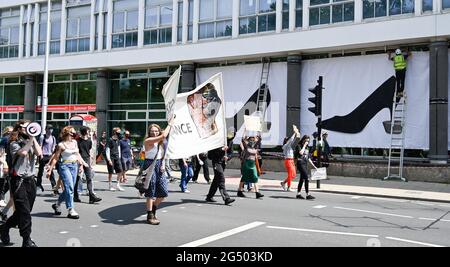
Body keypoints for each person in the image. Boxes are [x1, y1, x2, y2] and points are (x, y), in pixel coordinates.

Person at [0, 120, 42, 247]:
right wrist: (30, 139)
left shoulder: (31, 140)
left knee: (23, 212)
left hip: (30, 180)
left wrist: (32, 137)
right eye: (25, 127)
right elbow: (23, 153)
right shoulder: (13, 143)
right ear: (19, 128)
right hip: (18, 181)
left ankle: (4, 227)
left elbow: (39, 153)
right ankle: (26, 240)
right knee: (24, 212)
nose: (28, 128)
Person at [47, 126, 89, 220]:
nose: (75, 133)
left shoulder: (75, 142)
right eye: (73, 132)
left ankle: (57, 204)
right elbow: (56, 158)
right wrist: (50, 169)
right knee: (70, 187)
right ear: (68, 133)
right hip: (64, 166)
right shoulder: (61, 145)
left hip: (74, 166)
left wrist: (82, 163)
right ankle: (71, 209)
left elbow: (77, 154)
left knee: (68, 189)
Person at [142, 121, 173, 225]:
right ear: (149, 132)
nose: (154, 133)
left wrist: (163, 164)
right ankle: (150, 215)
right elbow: (164, 134)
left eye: (156, 131)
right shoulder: (148, 140)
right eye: (152, 131)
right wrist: (170, 124)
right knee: (151, 191)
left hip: (159, 164)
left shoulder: (160, 142)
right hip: (150, 164)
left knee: (163, 192)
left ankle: (154, 208)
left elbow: (162, 153)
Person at [205, 128, 236, 205]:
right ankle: (226, 198)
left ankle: (209, 196)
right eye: (229, 133)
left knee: (217, 180)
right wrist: (222, 149)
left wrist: (228, 157)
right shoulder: (219, 140)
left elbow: (231, 153)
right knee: (221, 178)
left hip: (223, 163)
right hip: (216, 162)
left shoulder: (230, 142)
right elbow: (212, 152)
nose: (230, 135)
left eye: (232, 134)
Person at [74, 126, 102, 204]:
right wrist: (80, 164)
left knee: (89, 178)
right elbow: (77, 153)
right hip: (79, 160)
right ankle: (75, 196)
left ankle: (91, 196)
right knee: (77, 178)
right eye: (88, 131)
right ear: (85, 132)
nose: (89, 132)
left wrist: (90, 161)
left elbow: (89, 151)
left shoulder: (89, 141)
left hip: (87, 160)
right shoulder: (77, 141)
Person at [236, 130, 264, 199]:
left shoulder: (254, 146)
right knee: (244, 177)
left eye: (253, 140)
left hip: (253, 164)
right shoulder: (246, 146)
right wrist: (245, 131)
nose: (252, 141)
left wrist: (258, 132)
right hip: (246, 164)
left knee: (255, 177)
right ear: (248, 140)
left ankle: (257, 192)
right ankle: (239, 191)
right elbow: (242, 139)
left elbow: (260, 139)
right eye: (250, 140)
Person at [295, 135, 318, 200]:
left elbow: (308, 158)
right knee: (306, 178)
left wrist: (314, 166)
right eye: (306, 140)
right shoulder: (299, 146)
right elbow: (301, 153)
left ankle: (298, 194)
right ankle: (308, 195)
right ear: (303, 140)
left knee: (302, 179)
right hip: (300, 163)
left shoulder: (307, 147)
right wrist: (304, 146)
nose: (307, 142)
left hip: (305, 164)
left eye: (308, 141)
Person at [36, 124, 57, 193]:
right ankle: (38, 185)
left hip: (49, 156)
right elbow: (40, 146)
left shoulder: (53, 137)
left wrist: (53, 156)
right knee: (40, 171)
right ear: (46, 129)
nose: (50, 130)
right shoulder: (42, 137)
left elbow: (53, 148)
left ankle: (54, 186)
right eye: (49, 128)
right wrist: (40, 155)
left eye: (51, 129)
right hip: (43, 155)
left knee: (51, 171)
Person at [280, 125, 301, 192]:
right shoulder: (285, 146)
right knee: (290, 174)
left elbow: (295, 140)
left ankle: (283, 183)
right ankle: (289, 187)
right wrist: (294, 133)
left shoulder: (290, 147)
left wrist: (297, 133)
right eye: (288, 140)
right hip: (288, 161)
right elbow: (291, 140)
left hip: (291, 160)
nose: (289, 141)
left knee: (294, 175)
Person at [0, 126, 12, 208]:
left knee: (6, 181)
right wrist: (4, 163)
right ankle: (1, 199)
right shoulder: (5, 139)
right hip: (4, 163)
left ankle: (1, 198)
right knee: (3, 182)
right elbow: (1, 153)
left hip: (7, 162)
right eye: (10, 132)